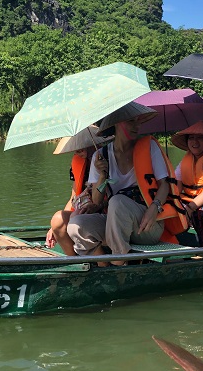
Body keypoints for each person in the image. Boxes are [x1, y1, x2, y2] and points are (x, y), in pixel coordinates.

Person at [66, 102, 186, 266]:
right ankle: (105, 265)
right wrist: (102, 175)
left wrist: (155, 207)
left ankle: (119, 262)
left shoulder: (149, 147)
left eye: (138, 121)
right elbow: (97, 201)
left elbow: (164, 184)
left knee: (117, 201)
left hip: (148, 225)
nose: (137, 126)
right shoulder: (100, 156)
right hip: (116, 224)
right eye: (131, 121)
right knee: (76, 225)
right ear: (115, 123)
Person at [45, 125, 111, 256]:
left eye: (83, 146)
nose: (79, 151)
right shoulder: (78, 163)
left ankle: (102, 262)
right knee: (58, 220)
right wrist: (54, 228)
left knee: (78, 217)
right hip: (84, 210)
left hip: (107, 212)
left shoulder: (109, 158)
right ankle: (75, 261)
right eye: (76, 149)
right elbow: (74, 197)